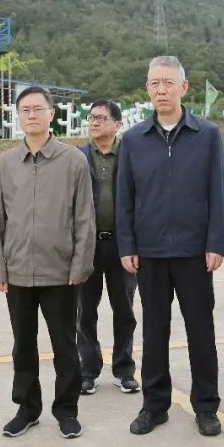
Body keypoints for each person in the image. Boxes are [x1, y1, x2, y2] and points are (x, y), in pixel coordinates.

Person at [116, 56, 224, 437]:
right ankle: (154, 405)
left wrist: (216, 242)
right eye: (154, 83)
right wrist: (127, 245)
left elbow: (219, 192)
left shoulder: (207, 135)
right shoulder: (133, 139)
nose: (161, 90)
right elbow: (125, 197)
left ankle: (206, 406)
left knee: (201, 331)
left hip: (195, 253)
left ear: (184, 87)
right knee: (154, 332)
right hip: (150, 253)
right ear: (147, 89)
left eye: (168, 83)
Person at [0, 85, 96, 439]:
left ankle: (66, 409)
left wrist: (80, 265)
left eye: (38, 109)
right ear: (17, 117)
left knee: (65, 345)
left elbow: (84, 218)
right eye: (25, 110)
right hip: (17, 271)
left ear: (52, 113)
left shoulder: (73, 161)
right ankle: (27, 408)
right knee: (23, 345)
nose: (32, 115)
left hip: (60, 272)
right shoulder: (4, 164)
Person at [77, 98, 139, 396]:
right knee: (85, 311)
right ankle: (88, 370)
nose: (94, 122)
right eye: (91, 117)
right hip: (87, 246)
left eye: (101, 118)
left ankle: (124, 370)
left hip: (122, 246)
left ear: (117, 124)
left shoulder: (131, 155)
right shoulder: (78, 157)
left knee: (124, 310)